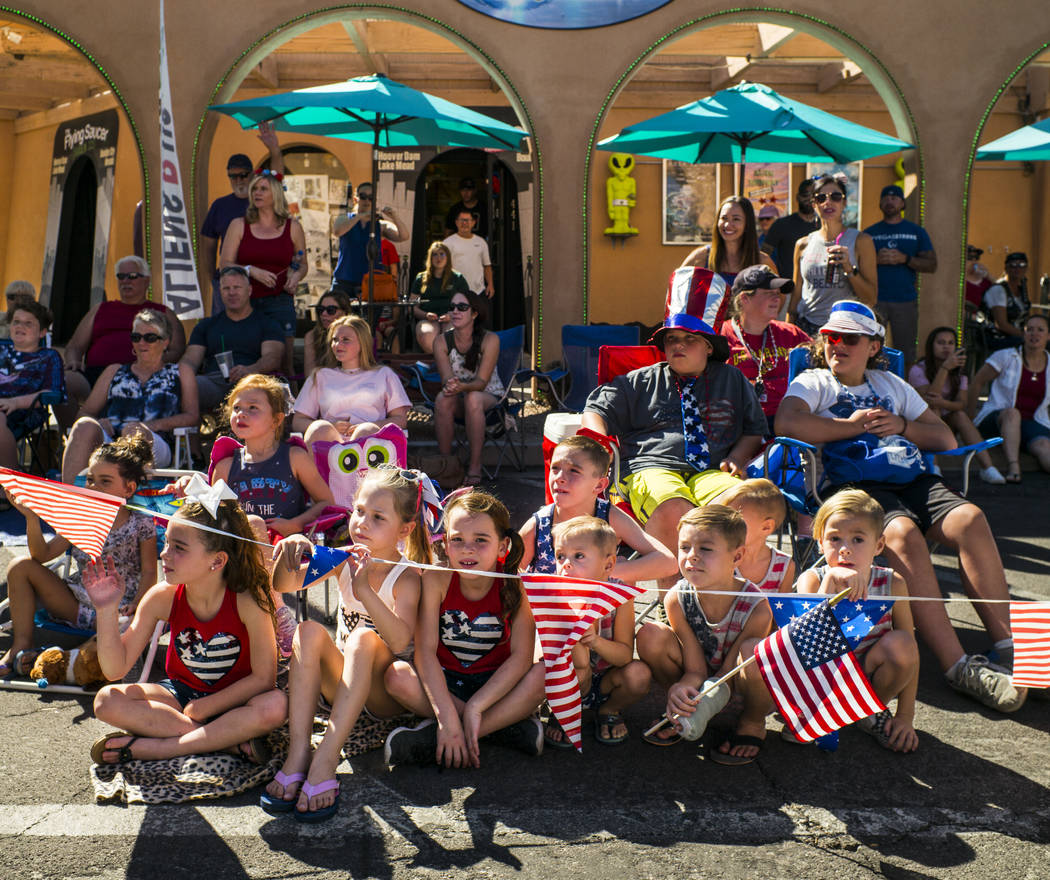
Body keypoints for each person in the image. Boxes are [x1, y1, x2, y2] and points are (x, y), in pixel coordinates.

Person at [774, 300, 1026, 713]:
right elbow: (788, 423)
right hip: (855, 488)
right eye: (830, 336)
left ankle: (1009, 647)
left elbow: (944, 438)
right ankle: (958, 665)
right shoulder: (815, 381)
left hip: (914, 480)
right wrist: (851, 426)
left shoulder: (892, 385)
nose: (837, 344)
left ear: (874, 346)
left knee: (971, 518)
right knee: (902, 534)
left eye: (849, 338)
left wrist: (904, 426)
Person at [262, 467, 430, 821]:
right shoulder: (343, 558)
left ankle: (326, 759)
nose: (362, 524)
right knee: (307, 630)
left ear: (405, 529)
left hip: (384, 697)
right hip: (342, 689)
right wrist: (295, 548)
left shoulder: (407, 577)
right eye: (359, 512)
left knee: (363, 639)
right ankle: (298, 755)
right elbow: (285, 584)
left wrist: (365, 589)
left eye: (378, 517)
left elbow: (400, 641)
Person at [87, 496, 286, 765]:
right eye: (166, 542)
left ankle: (159, 748)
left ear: (217, 561)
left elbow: (264, 679)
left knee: (275, 706)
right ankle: (226, 743)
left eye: (178, 547)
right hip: (180, 696)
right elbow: (114, 669)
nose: (164, 553)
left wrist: (208, 706)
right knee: (106, 701)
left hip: (236, 700)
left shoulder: (248, 601)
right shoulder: (162, 597)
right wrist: (106, 610)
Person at [581, 312, 766, 587]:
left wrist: (737, 457)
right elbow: (595, 409)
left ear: (708, 346)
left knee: (747, 502)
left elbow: (754, 429)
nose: (678, 345)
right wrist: (598, 444)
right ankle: (670, 605)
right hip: (651, 466)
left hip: (711, 470)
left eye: (689, 339)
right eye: (671, 340)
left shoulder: (732, 379)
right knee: (674, 507)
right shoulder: (642, 381)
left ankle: (731, 600)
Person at [383, 490, 547, 768]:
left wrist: (476, 708)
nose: (467, 548)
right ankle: (501, 728)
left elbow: (521, 659)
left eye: (480, 540)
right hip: (446, 682)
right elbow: (425, 652)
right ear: (445, 544)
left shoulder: (518, 585)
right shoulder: (436, 580)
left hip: (498, 687)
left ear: (503, 546)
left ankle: (452, 736)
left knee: (546, 674)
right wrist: (448, 714)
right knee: (396, 677)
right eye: (457, 540)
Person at [0, 436, 156, 677]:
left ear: (129, 488)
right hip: (77, 604)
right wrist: (31, 519)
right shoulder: (82, 518)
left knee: (130, 625)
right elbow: (42, 555)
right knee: (20, 566)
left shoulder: (141, 522)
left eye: (105, 481)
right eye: (91, 480)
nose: (93, 487)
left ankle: (80, 660)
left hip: (119, 609)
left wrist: (138, 605)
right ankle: (21, 643)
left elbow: (149, 572)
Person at [636, 505, 773, 765]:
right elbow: (695, 668)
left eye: (706, 549)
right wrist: (684, 686)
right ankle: (682, 707)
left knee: (755, 651)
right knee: (650, 634)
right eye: (685, 547)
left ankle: (752, 722)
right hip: (700, 681)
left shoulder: (757, 608)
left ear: (737, 556)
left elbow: (727, 677)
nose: (692, 557)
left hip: (736, 685)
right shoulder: (677, 597)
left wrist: (709, 699)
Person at [795, 490, 920, 753]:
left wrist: (905, 716)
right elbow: (806, 645)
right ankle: (822, 713)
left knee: (902, 643)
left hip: (867, 678)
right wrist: (830, 584)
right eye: (834, 538)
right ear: (819, 542)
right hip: (820, 681)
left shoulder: (892, 583)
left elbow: (911, 650)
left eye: (858, 539)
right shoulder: (813, 579)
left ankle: (867, 711)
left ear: (879, 545)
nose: (845, 549)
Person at [541, 516, 652, 748]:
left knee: (639, 674)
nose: (566, 564)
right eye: (560, 556)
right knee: (574, 669)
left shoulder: (620, 596)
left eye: (578, 556)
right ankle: (564, 711)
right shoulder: (552, 594)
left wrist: (594, 640)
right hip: (568, 679)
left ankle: (609, 710)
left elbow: (623, 657)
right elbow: (542, 657)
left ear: (609, 565)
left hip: (607, 680)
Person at [61, 309, 198, 482]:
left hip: (157, 443)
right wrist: (99, 422)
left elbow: (192, 416)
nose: (142, 343)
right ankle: (70, 498)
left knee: (134, 431)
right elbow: (84, 412)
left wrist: (151, 426)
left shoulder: (180, 372)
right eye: (136, 337)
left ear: (165, 342)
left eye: (150, 338)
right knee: (84, 426)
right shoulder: (114, 371)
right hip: (112, 442)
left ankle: (130, 494)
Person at [518, 434, 677, 582]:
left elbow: (668, 562)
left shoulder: (610, 517)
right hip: (548, 609)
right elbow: (507, 574)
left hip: (598, 610)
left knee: (622, 566)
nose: (559, 478)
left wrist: (603, 572)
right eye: (555, 468)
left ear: (599, 485)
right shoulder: (538, 525)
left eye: (573, 470)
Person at [61, 256, 187, 420]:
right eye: (121, 276)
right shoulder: (101, 309)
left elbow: (177, 348)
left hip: (142, 375)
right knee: (62, 382)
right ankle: (74, 436)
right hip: (95, 375)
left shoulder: (162, 312)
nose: (126, 281)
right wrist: (73, 361)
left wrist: (151, 363)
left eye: (132, 276)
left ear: (146, 281)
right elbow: (75, 346)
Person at [214, 373, 334, 541]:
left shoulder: (295, 458)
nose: (241, 413)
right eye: (236, 408)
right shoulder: (225, 467)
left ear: (276, 419)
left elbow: (326, 502)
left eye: (253, 408)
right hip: (244, 553)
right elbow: (218, 517)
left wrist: (296, 524)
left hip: (286, 549)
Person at [220, 171, 307, 377]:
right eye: (255, 189)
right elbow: (224, 265)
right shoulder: (239, 225)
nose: (257, 193)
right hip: (245, 303)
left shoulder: (292, 227)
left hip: (280, 301)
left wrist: (296, 277)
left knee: (285, 364)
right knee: (247, 361)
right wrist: (251, 270)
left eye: (263, 189)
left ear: (275, 194)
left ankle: (293, 408)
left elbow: (302, 264)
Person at [198, 129, 284, 315]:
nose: (238, 180)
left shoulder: (262, 199)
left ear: (252, 174)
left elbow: (275, 179)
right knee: (226, 329)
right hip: (231, 281)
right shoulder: (220, 206)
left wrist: (275, 150)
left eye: (243, 175)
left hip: (262, 280)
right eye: (233, 176)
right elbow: (208, 244)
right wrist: (213, 276)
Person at [292, 315, 412, 447]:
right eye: (335, 339)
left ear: (362, 343)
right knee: (320, 428)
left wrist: (370, 426)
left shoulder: (384, 374)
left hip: (371, 445)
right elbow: (298, 421)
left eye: (346, 340)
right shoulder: (320, 376)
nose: (338, 344)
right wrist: (331, 427)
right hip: (330, 443)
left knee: (365, 431)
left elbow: (400, 419)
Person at [719, 265, 811, 434]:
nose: (777, 299)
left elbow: (821, 362)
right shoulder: (720, 336)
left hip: (790, 421)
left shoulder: (791, 333)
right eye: (769, 293)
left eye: (778, 294)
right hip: (741, 426)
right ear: (745, 298)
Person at [180, 265, 284, 413]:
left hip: (253, 381)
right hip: (214, 381)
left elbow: (273, 358)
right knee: (183, 387)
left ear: (249, 290)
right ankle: (187, 435)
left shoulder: (267, 324)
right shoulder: (206, 325)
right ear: (220, 292)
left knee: (274, 390)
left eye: (237, 287)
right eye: (226, 288)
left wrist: (250, 370)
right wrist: (182, 376)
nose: (232, 293)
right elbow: (190, 360)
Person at [909, 327, 1004, 484]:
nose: (946, 347)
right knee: (934, 410)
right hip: (921, 425)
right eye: (941, 343)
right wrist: (945, 368)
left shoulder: (959, 371)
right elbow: (928, 400)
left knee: (960, 415)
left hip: (947, 422)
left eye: (951, 343)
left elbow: (961, 404)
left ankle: (988, 468)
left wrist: (943, 403)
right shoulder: (918, 369)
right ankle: (934, 468)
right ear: (931, 346)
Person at [787, 175, 877, 336]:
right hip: (807, 327)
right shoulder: (803, 244)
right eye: (821, 198)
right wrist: (788, 332)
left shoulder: (861, 241)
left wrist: (849, 269)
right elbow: (797, 294)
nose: (828, 202)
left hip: (844, 328)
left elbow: (870, 298)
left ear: (844, 203)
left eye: (835, 197)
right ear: (814, 205)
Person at [433, 291, 504, 487]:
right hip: (459, 396)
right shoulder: (441, 341)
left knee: (473, 397)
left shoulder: (490, 340)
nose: (455, 311)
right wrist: (451, 385)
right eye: (452, 306)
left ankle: (475, 466)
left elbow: (481, 382)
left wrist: (462, 386)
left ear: (474, 313)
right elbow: (447, 378)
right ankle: (446, 465)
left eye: (462, 307)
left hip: (489, 397)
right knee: (442, 398)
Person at [863, 184, 938, 366]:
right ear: (880, 203)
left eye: (894, 198)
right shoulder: (869, 233)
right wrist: (874, 259)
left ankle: (904, 388)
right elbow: (856, 265)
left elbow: (932, 265)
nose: (890, 201)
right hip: (875, 300)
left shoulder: (916, 232)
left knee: (905, 350)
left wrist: (905, 259)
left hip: (905, 300)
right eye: (886, 198)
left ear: (902, 204)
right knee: (869, 348)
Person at [971, 312, 1050, 482]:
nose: (1034, 334)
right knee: (1012, 413)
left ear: (1048, 336)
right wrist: (969, 418)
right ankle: (1014, 466)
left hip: (1033, 423)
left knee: (1045, 449)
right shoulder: (1006, 356)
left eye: (1040, 330)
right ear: (1024, 333)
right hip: (997, 418)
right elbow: (977, 382)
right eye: (1030, 330)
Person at [0, 299, 64, 470]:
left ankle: (6, 487)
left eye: (28, 323)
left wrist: (15, 403)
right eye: (16, 322)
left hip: (25, 412)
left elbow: (53, 393)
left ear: (42, 332)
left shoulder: (49, 357)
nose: (20, 326)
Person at [330, 183, 409, 298]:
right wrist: (360, 216)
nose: (367, 201)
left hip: (371, 281)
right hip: (344, 281)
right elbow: (337, 231)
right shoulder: (345, 218)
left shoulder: (379, 224)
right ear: (356, 199)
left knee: (369, 316)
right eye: (363, 196)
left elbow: (403, 236)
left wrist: (394, 216)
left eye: (371, 198)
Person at [717, 478, 795, 594]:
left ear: (766, 527)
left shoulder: (784, 566)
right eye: (724, 518)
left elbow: (782, 609)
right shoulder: (720, 559)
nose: (725, 525)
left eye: (736, 519)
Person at [679, 196, 777, 287]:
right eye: (724, 218)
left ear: (747, 224)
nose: (727, 225)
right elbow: (676, 288)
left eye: (736, 219)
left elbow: (780, 296)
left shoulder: (762, 261)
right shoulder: (701, 257)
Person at [411, 241, 470, 354]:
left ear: (447, 257)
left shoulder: (457, 278)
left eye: (442, 254)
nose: (438, 258)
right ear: (430, 257)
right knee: (426, 335)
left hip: (452, 318)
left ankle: (448, 364)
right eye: (435, 254)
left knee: (452, 334)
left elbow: (467, 304)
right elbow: (413, 307)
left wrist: (452, 315)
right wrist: (425, 315)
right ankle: (437, 363)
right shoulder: (421, 278)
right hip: (427, 319)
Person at [761, 177, 820, 276]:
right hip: (788, 286)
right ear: (797, 197)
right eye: (805, 195)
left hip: (817, 287)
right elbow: (763, 256)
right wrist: (775, 279)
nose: (809, 199)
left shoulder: (824, 226)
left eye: (814, 195)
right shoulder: (781, 225)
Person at [981, 252, 1031, 350]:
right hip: (998, 338)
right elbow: (1001, 324)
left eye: (1021, 265)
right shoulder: (998, 290)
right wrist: (1027, 336)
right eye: (1013, 265)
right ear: (1006, 268)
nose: (1017, 269)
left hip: (1017, 336)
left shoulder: (1022, 289)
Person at [443, 209, 494, 298]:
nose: (464, 223)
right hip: (455, 291)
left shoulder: (481, 242)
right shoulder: (447, 243)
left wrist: (490, 284)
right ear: (456, 222)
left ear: (474, 222)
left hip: (478, 291)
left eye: (467, 220)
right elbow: (442, 267)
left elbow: (487, 266)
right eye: (461, 220)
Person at [303, 290, 352, 376]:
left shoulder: (356, 335)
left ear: (345, 313)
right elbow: (310, 375)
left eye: (331, 310)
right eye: (320, 310)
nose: (324, 314)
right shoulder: (312, 336)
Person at [964, 244, 993, 314]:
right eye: (970, 257)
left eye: (976, 257)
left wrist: (988, 275)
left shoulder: (985, 282)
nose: (974, 260)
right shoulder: (958, 280)